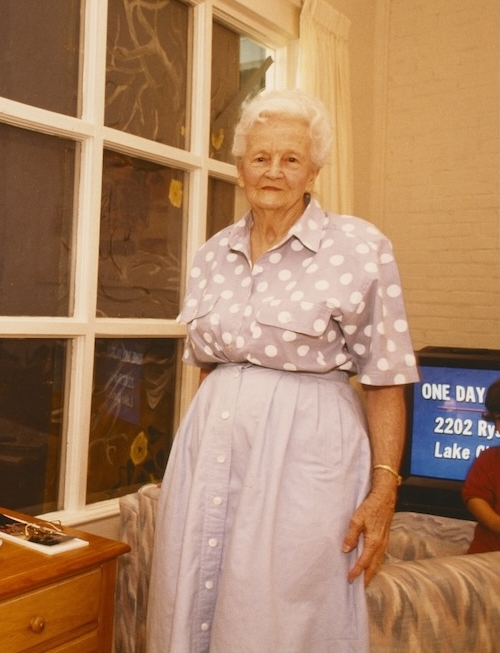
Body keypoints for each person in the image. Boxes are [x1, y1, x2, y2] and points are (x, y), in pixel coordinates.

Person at [146, 89, 419, 653]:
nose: (273, 171)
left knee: (287, 609)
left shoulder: (360, 246)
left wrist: (383, 492)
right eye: (260, 157)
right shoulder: (212, 253)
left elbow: (386, 380)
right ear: (240, 167)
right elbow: (209, 371)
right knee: (193, 590)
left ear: (314, 170)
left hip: (306, 460)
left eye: (291, 158)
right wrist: (195, 452)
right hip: (209, 454)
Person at [462, 379, 500, 553]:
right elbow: (475, 498)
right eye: (499, 418)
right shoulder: (489, 459)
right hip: (486, 554)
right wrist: (495, 523)